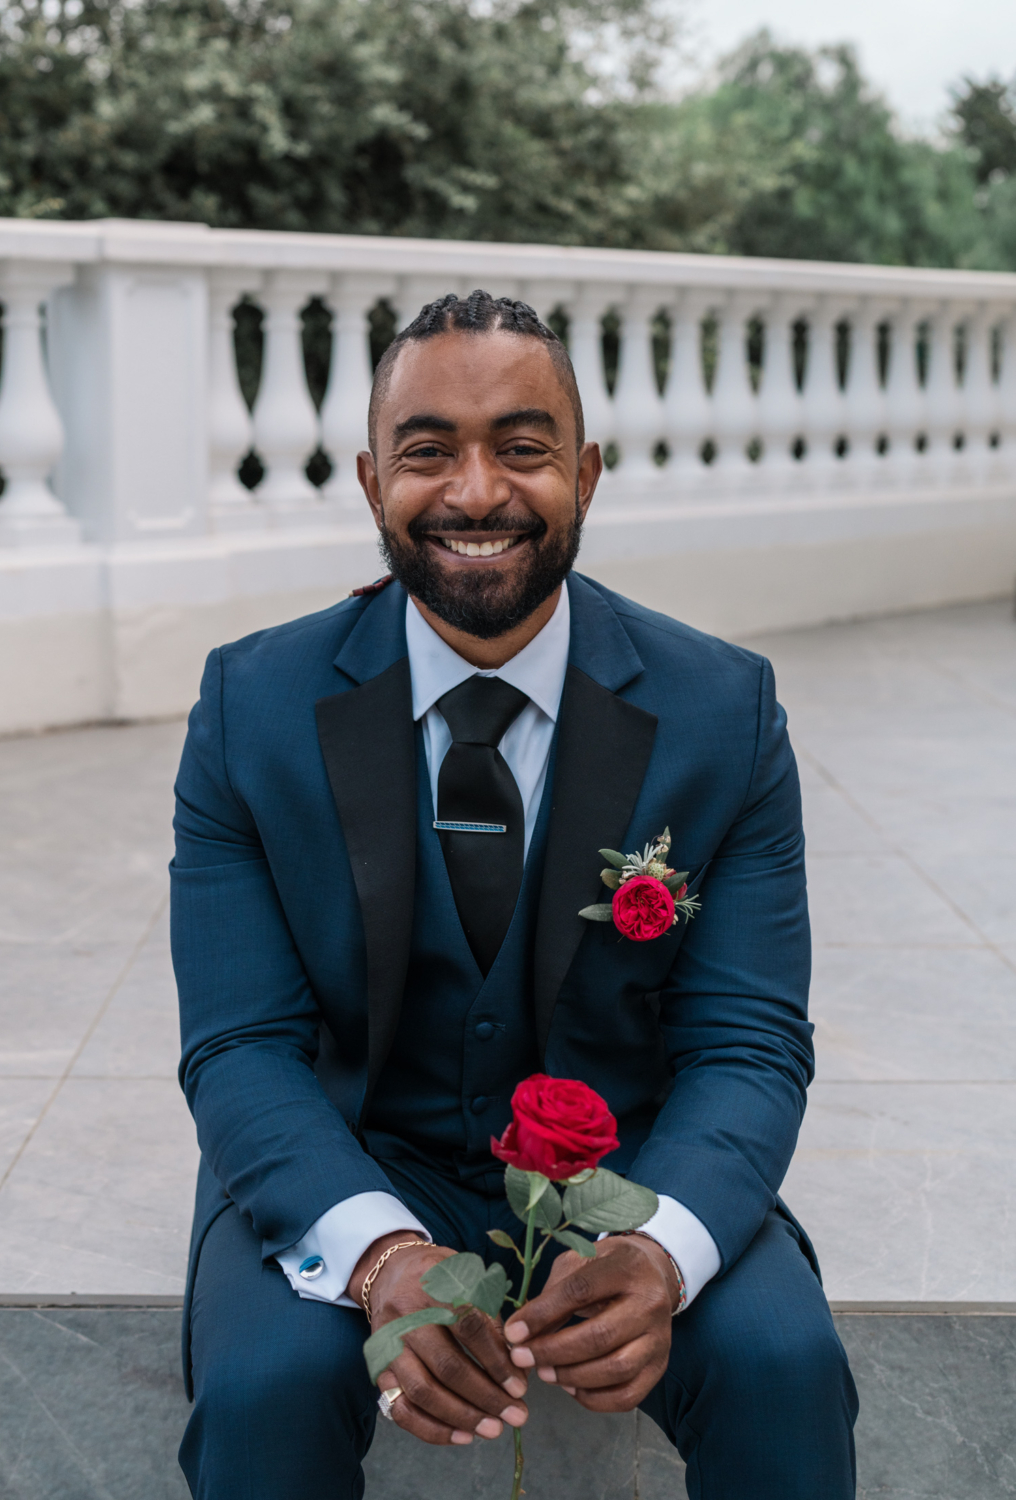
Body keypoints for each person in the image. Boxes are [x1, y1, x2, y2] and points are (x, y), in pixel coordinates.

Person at [171, 290, 858, 1499]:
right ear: (368, 478)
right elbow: (238, 1045)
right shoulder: (250, 709)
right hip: (353, 1145)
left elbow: (749, 1041)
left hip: (630, 1165)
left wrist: (658, 1251)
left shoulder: (722, 711)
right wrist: (379, 1254)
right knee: (264, 1390)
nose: (476, 492)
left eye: (522, 448)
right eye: (427, 450)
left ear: (585, 474)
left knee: (780, 1364)